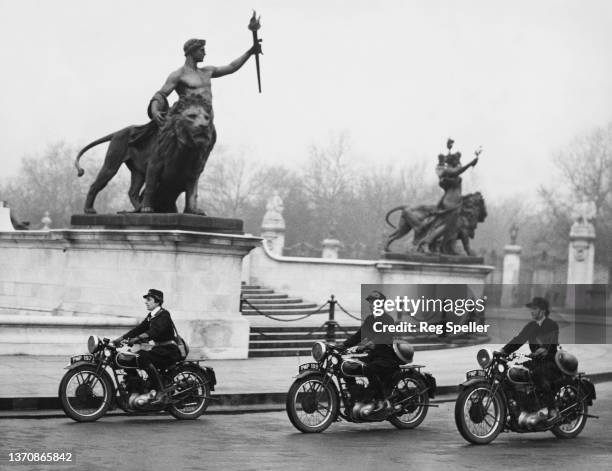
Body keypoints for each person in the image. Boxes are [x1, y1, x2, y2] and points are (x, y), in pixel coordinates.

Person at [148, 38, 261, 127]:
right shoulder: (178, 74)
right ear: (192, 52)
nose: (205, 53)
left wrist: (250, 52)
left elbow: (231, 67)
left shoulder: (207, 71)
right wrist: (155, 111)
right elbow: (160, 94)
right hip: (189, 122)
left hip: (207, 120)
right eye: (202, 50)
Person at [113, 289, 181, 404]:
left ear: (157, 301)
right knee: (130, 358)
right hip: (159, 349)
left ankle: (160, 391)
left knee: (143, 357)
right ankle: (137, 388)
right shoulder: (151, 316)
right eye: (146, 299)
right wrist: (121, 338)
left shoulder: (164, 314)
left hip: (169, 350)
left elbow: (155, 331)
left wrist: (138, 338)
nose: (146, 302)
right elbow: (139, 328)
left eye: (149, 299)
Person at [500, 296, 560, 418]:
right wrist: (502, 351)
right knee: (513, 374)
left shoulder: (551, 325)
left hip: (549, 362)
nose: (531, 311)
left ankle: (552, 408)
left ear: (542, 311)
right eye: (531, 309)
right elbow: (518, 339)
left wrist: (541, 351)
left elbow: (548, 344)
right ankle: (523, 408)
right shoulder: (531, 326)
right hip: (535, 361)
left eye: (534, 308)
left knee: (536, 373)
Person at [343, 291, 400, 412]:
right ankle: (356, 396)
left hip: (387, 357)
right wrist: (342, 346)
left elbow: (382, 338)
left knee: (370, 368)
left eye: (374, 302)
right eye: (370, 303)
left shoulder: (387, 320)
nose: (371, 305)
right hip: (373, 356)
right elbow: (358, 336)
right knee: (347, 366)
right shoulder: (370, 319)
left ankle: (381, 400)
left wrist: (366, 345)